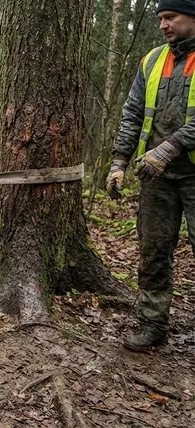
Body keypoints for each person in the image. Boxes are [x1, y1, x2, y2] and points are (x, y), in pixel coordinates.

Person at [107, 0, 195, 351]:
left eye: (170, 17)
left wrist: (168, 148)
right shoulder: (152, 60)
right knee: (154, 251)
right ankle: (151, 325)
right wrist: (118, 162)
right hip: (155, 176)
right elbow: (131, 113)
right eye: (160, 18)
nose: (163, 25)